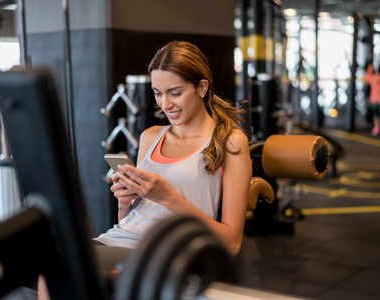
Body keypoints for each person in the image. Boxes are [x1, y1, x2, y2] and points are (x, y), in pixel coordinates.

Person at [38, 41, 252, 299]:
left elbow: (231, 243)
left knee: (61, 270)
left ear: (202, 87)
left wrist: (168, 197)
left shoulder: (230, 141)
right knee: (51, 265)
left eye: (175, 92)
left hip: (168, 250)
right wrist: (125, 201)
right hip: (121, 240)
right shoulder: (151, 137)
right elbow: (131, 221)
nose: (165, 104)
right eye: (157, 93)